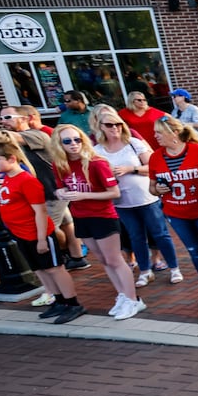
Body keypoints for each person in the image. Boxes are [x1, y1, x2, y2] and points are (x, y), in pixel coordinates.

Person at [49, 124, 144, 320]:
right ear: (59, 144)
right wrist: (60, 192)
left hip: (103, 216)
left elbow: (114, 193)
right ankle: (123, 295)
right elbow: (59, 188)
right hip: (81, 216)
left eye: (77, 139)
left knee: (114, 259)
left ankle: (133, 299)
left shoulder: (96, 162)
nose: (74, 144)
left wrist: (84, 195)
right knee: (102, 260)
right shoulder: (59, 164)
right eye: (67, 141)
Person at [0, 140, 86, 323]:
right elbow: (12, 201)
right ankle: (59, 300)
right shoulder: (8, 178)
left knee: (55, 269)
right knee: (40, 269)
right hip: (20, 233)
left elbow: (40, 211)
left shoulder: (27, 181)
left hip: (36, 233)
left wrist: (41, 239)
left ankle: (73, 303)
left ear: (12, 158)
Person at [93, 106, 181, 285]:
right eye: (109, 125)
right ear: (101, 127)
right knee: (136, 236)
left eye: (118, 124)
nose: (114, 128)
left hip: (146, 197)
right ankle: (145, 270)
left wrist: (130, 169)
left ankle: (174, 268)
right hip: (122, 202)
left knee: (160, 233)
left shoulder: (133, 143)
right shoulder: (98, 150)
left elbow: (153, 167)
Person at [149, 117, 198, 308]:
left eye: (159, 132)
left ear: (174, 133)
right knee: (196, 253)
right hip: (177, 214)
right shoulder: (156, 157)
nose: (155, 136)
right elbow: (152, 187)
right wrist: (157, 190)